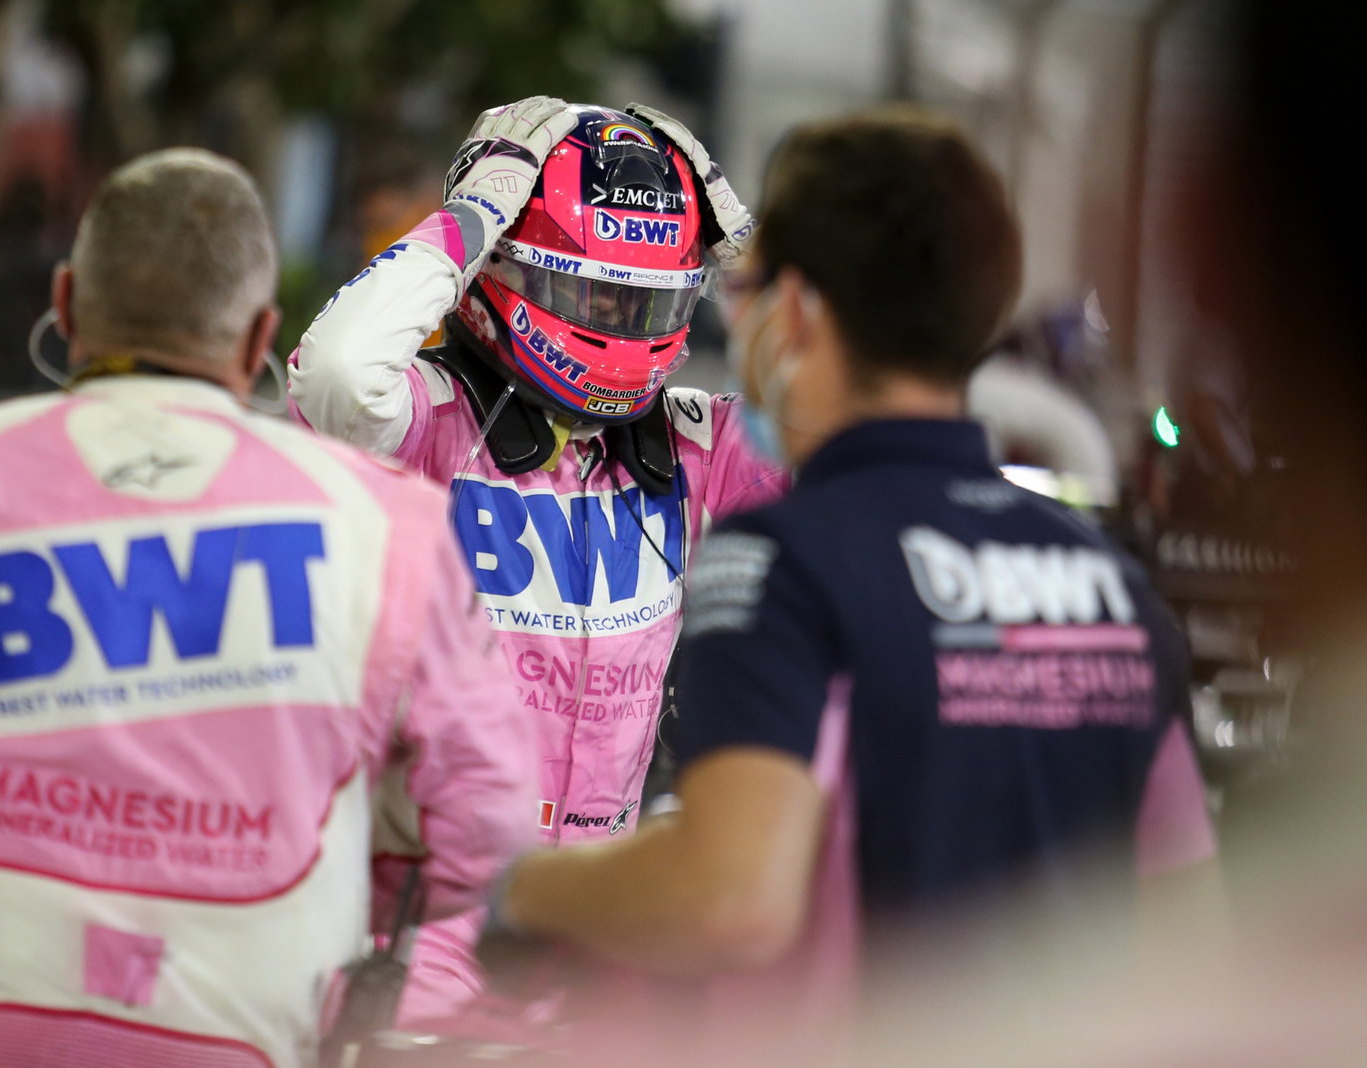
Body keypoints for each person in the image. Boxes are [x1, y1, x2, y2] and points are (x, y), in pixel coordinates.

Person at [0, 148, 537, 1067]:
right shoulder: (390, 521)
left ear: (64, 305)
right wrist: (324, 889)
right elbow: (483, 815)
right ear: (259, 340)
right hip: (260, 1032)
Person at [484, 108, 1220, 1061]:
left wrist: (514, 891)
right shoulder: (1115, 589)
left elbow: (729, 898)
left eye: (744, 291)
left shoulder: (778, 562)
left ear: (794, 310)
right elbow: (1195, 937)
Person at [288, 96, 785, 1020]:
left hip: (603, 929)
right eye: (594, 297)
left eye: (646, 302)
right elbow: (335, 372)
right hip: (414, 933)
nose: (619, 324)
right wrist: (478, 211)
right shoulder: (422, 422)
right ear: (496, 269)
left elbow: (835, 427)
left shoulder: (695, 445)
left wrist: (743, 245)